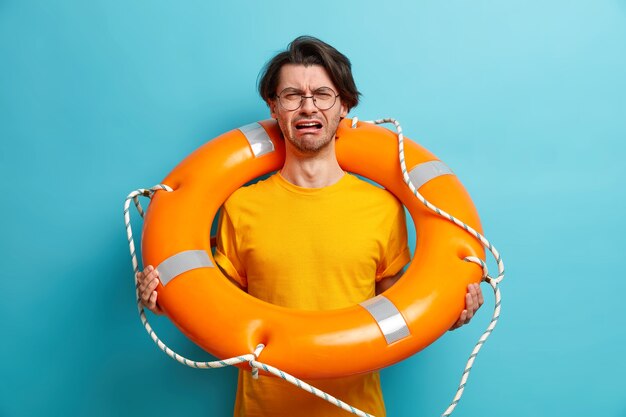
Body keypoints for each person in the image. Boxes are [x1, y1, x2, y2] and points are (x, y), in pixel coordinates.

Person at [137, 36, 484, 417]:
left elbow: (403, 305)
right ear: (273, 107)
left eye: (322, 94)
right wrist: (165, 301)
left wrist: (447, 310)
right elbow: (215, 307)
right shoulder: (240, 206)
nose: (308, 107)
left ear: (344, 106)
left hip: (356, 410)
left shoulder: (383, 208)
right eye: (291, 95)